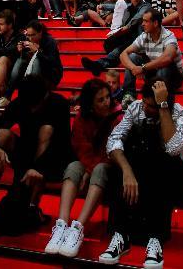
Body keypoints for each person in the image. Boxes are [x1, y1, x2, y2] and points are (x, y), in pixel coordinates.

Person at [0, 75, 72, 240]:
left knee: (46, 130)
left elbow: (62, 145)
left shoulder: (59, 104)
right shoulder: (21, 102)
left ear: (45, 95)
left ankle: (32, 206)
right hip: (25, 156)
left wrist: (37, 167)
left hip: (53, 159)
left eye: (35, 106)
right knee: (1, 136)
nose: (32, 110)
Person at [100, 79, 183, 267]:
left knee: (160, 160)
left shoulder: (179, 112)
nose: (145, 108)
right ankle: (120, 235)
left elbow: (173, 149)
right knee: (120, 162)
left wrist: (163, 107)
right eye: (144, 102)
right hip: (145, 175)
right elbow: (113, 141)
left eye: (151, 106)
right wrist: (127, 171)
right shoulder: (136, 107)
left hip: (177, 176)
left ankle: (156, 239)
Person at [45, 79, 122, 258]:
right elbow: (80, 147)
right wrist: (87, 169)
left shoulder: (117, 117)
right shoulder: (82, 117)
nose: (106, 102)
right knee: (73, 166)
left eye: (107, 97)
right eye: (100, 100)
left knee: (100, 169)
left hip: (109, 167)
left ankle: (78, 228)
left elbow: (111, 151)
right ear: (90, 104)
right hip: (89, 163)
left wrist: (90, 170)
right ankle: (62, 224)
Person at [120, 8, 183, 106]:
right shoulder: (144, 36)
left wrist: (142, 68)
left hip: (174, 77)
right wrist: (134, 68)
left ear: (155, 23)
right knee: (132, 57)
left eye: (146, 21)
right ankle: (129, 95)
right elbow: (123, 54)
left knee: (164, 66)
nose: (142, 24)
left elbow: (167, 58)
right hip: (154, 72)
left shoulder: (168, 36)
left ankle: (160, 101)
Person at [81, 0, 149, 77]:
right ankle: (109, 63)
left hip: (138, 37)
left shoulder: (145, 6)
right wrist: (103, 6)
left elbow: (139, 17)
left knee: (118, 50)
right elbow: (114, 6)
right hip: (126, 35)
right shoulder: (129, 6)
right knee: (108, 43)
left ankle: (99, 64)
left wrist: (127, 27)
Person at [8, 19, 63, 94]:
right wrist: (20, 51)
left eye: (33, 35)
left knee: (36, 60)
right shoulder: (27, 40)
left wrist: (37, 52)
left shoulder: (50, 42)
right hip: (31, 72)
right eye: (28, 35)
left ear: (40, 33)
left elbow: (51, 62)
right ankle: (7, 95)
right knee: (20, 60)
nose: (30, 38)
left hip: (50, 75)